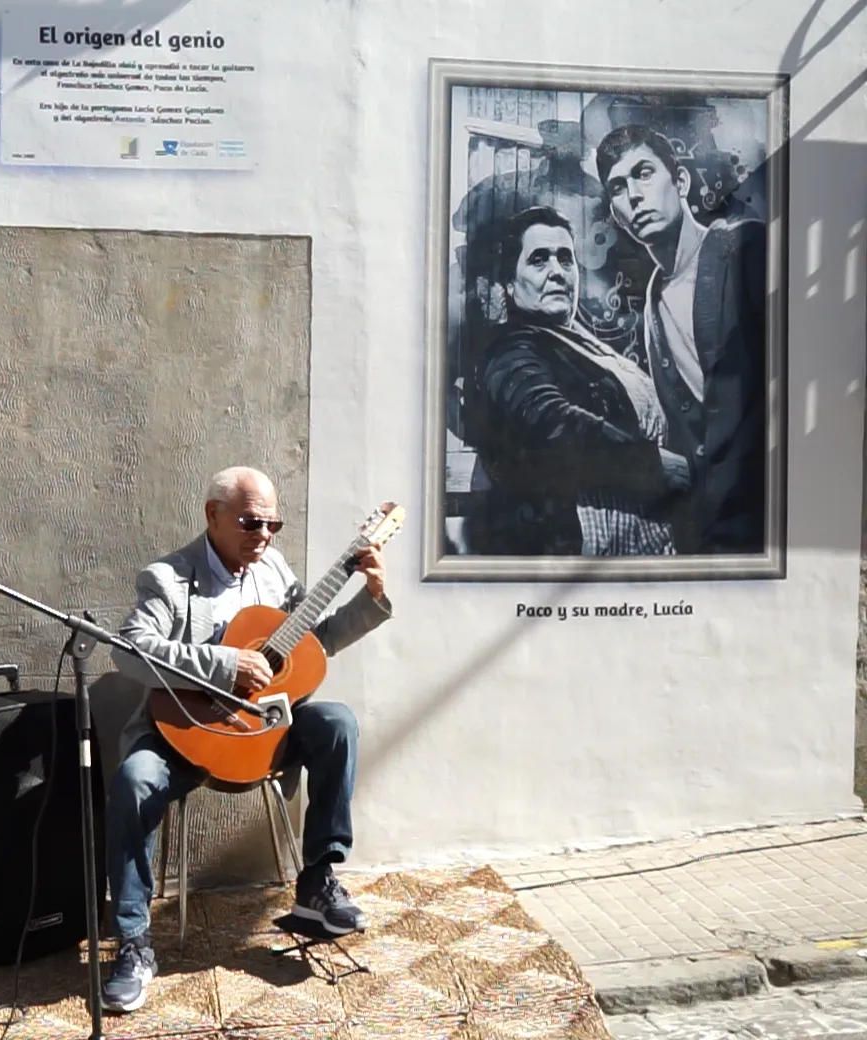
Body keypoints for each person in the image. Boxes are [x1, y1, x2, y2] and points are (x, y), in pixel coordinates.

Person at [100, 466, 392, 1013]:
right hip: (188, 732)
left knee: (336, 723)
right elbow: (128, 649)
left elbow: (314, 644)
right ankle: (134, 940)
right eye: (252, 522)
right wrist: (223, 663)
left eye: (273, 524)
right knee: (135, 780)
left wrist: (370, 596)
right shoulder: (168, 578)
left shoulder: (274, 570)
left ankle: (318, 883)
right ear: (212, 515)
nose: (264, 536)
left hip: (264, 731)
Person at [463, 205, 689, 555]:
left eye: (565, 259)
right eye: (539, 260)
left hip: (647, 537)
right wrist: (649, 465)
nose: (557, 272)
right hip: (567, 554)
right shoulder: (510, 351)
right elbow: (550, 424)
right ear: (510, 282)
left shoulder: (584, 344)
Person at [594, 124, 767, 554]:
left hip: (770, 514)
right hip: (712, 528)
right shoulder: (652, 302)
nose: (633, 195)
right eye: (618, 187)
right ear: (614, 211)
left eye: (644, 174)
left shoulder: (745, 249)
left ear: (682, 182)